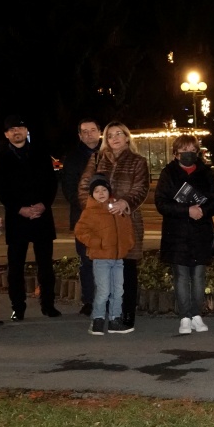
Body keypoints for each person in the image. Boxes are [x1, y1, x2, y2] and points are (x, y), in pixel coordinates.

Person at [79, 121, 150, 328]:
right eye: (110, 135)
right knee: (103, 272)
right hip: (102, 225)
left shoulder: (138, 161)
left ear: (127, 137)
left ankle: (125, 315)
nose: (115, 138)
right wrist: (93, 209)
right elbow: (84, 186)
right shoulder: (97, 159)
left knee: (127, 271)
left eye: (119, 134)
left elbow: (141, 188)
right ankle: (104, 315)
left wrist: (125, 202)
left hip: (127, 222)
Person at [0, 115, 61, 321]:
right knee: (15, 266)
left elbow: (52, 183)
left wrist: (43, 204)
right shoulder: (1, 158)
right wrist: (19, 208)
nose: (16, 132)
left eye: (20, 128)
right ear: (6, 134)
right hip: (17, 218)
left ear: (26, 131)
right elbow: (0, 189)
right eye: (11, 129)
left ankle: (48, 305)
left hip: (42, 216)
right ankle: (18, 307)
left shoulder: (40, 153)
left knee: (46, 265)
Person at [154, 134, 214, 335]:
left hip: (201, 232)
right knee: (181, 276)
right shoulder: (168, 174)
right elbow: (161, 202)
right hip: (176, 233)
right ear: (176, 154)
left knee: (199, 275)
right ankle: (185, 316)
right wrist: (186, 211)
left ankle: (197, 314)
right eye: (184, 150)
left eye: (193, 150)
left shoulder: (205, 173)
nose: (189, 154)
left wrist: (203, 211)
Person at [74, 174, 135, 335]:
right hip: (101, 259)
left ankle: (115, 318)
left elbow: (127, 226)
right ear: (91, 194)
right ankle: (98, 319)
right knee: (103, 290)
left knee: (118, 290)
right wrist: (97, 243)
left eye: (104, 190)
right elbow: (80, 231)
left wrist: (128, 243)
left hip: (118, 258)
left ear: (109, 191)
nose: (101, 193)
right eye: (96, 191)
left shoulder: (116, 208)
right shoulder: (90, 212)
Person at [61, 118, 103, 317]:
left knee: (109, 258)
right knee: (86, 260)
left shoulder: (109, 153)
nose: (89, 134)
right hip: (83, 217)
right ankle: (89, 300)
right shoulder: (72, 158)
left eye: (92, 130)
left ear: (99, 132)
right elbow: (69, 188)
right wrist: (87, 207)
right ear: (79, 136)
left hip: (108, 216)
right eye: (84, 132)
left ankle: (108, 299)